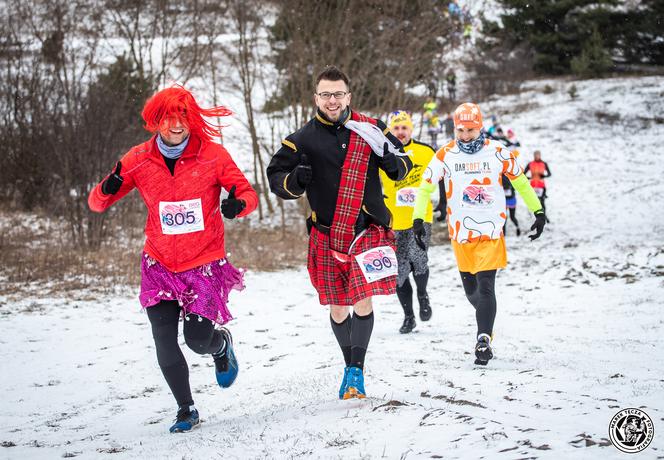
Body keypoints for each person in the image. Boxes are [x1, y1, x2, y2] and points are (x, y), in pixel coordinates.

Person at [88, 86, 258, 433]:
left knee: (197, 340)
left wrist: (238, 205)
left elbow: (247, 193)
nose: (176, 125)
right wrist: (108, 186)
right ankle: (186, 409)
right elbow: (97, 203)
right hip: (160, 263)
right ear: (156, 121)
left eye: (182, 118)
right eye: (168, 118)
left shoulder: (212, 155)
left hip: (203, 261)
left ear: (191, 120)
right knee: (163, 337)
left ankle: (220, 345)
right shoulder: (138, 159)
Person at [267, 67, 411, 400]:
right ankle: (350, 366)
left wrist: (389, 158)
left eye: (338, 94)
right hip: (327, 233)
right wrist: (296, 182)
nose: (332, 101)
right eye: (326, 95)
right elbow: (276, 177)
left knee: (362, 300)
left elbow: (402, 168)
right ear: (316, 98)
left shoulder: (372, 128)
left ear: (349, 96)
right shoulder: (301, 139)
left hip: (367, 229)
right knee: (337, 307)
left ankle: (356, 371)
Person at [412, 102, 546, 365]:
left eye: (470, 130)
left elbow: (520, 181)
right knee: (472, 292)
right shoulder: (445, 154)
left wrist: (538, 212)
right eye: (460, 130)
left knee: (486, 287)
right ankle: (486, 318)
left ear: (480, 127)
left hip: (491, 230)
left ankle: (483, 339)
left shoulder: (497, 151)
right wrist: (418, 218)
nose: (465, 135)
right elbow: (425, 188)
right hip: (461, 233)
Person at [380, 111, 436, 334]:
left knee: (419, 260)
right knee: (398, 271)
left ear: (410, 130)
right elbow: (372, 183)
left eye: (404, 128)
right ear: (391, 131)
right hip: (394, 221)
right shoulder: (383, 154)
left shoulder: (425, 151)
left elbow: (441, 177)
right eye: (396, 128)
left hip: (422, 217)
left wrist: (442, 204)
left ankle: (422, 294)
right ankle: (409, 317)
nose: (400, 132)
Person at [524, 150, 552, 221]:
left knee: (542, 202)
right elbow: (523, 173)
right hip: (533, 185)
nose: (536, 156)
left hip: (541, 186)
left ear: (540, 155)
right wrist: (528, 177)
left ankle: (544, 216)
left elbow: (549, 174)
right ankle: (535, 216)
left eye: (538, 155)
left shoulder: (544, 164)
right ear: (533, 156)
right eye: (535, 155)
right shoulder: (530, 164)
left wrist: (544, 176)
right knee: (534, 202)